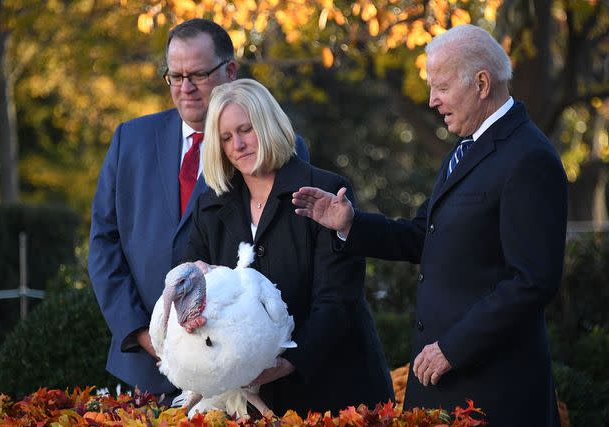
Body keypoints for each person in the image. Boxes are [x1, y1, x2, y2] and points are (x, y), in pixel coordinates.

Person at [292, 24, 567, 426]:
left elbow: (532, 281)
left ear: (482, 83)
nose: (432, 100)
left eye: (440, 87)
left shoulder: (529, 158)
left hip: (494, 392)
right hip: (446, 388)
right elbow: (425, 236)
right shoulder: (466, 149)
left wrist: (453, 348)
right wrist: (350, 223)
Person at [88, 19, 309, 398]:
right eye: (174, 76)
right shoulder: (130, 140)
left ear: (230, 71)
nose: (185, 88)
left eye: (198, 75)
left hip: (239, 371)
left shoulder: (271, 147)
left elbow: (291, 262)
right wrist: (144, 333)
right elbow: (104, 246)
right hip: (145, 366)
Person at [180, 78, 394, 416]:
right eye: (225, 137)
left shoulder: (326, 190)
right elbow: (187, 277)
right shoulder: (209, 206)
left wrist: (288, 362)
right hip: (248, 404)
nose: (237, 144)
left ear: (267, 125)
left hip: (334, 395)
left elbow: (338, 300)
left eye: (245, 129)